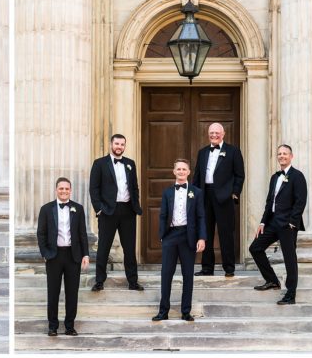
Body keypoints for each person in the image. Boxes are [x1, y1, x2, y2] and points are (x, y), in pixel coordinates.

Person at [249, 144, 307, 305]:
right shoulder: (275, 177)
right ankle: (272, 280)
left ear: (291, 156)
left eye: (285, 154)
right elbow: (270, 202)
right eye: (279, 154)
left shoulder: (297, 176)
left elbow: (300, 201)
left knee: (289, 258)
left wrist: (292, 223)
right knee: (255, 247)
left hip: (287, 224)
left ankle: (291, 294)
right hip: (272, 222)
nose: (282, 156)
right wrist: (262, 222)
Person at [153, 159, 206, 322]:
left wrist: (202, 238)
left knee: (188, 275)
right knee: (166, 274)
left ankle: (185, 311)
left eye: (184, 169)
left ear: (189, 172)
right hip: (171, 235)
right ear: (174, 172)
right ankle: (163, 311)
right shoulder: (167, 192)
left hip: (188, 236)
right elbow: (163, 215)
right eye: (179, 169)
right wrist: (162, 235)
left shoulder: (196, 192)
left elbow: (200, 216)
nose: (181, 171)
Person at [89, 134, 143, 291]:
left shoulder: (130, 163)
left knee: (129, 248)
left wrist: (135, 205)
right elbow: (94, 188)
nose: (119, 146)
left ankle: (133, 281)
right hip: (108, 211)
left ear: (125, 146)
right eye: (117, 143)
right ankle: (99, 281)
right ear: (111, 144)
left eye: (122, 144)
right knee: (103, 247)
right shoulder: (99, 164)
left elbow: (134, 187)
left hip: (127, 210)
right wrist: (99, 209)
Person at [36, 177, 89, 336]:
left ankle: (69, 326)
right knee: (53, 292)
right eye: (61, 188)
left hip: (73, 256)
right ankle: (52, 326)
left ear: (70, 190)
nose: (64, 191)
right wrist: (45, 253)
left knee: (72, 293)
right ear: (56, 190)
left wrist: (85, 254)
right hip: (54, 255)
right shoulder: (46, 209)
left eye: (67, 189)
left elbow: (82, 234)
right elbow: (41, 233)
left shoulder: (78, 209)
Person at [194, 122, 245, 277]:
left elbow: (239, 174)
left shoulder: (233, 151)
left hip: (224, 197)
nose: (214, 135)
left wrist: (235, 193)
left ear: (223, 134)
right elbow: (197, 176)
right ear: (208, 134)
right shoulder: (202, 152)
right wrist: (194, 196)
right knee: (206, 232)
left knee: (226, 233)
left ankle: (229, 268)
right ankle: (207, 268)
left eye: (217, 133)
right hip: (205, 196)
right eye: (211, 133)